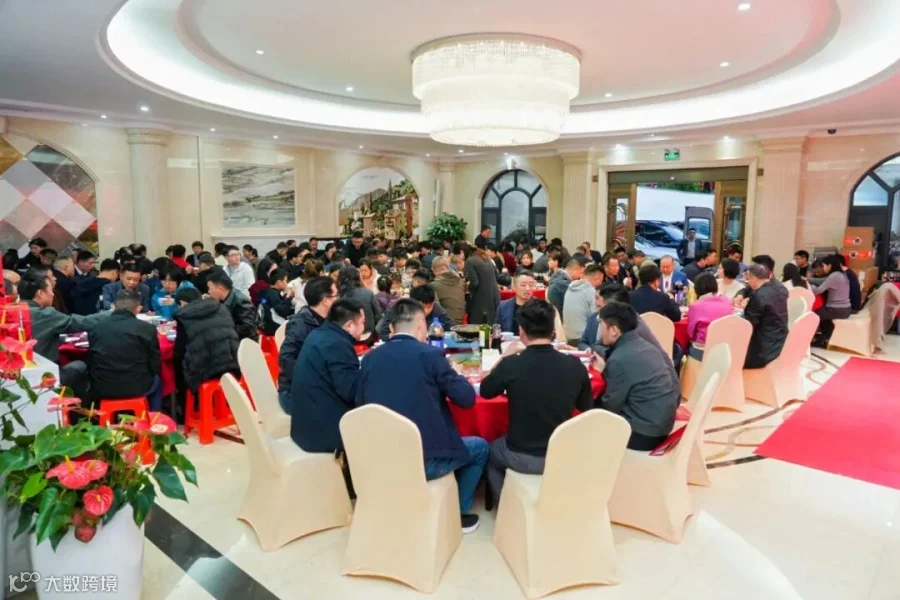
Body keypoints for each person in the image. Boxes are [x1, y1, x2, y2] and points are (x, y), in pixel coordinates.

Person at [357, 299, 487, 532]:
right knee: (480, 448)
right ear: (421, 326)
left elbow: (360, 404)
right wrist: (455, 373)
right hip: (425, 460)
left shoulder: (370, 358)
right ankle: (456, 514)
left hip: (380, 457)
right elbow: (466, 399)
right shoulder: (431, 356)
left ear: (391, 328)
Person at [481, 299, 592, 499]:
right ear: (553, 332)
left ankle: (507, 505)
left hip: (520, 454)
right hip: (561, 452)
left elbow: (485, 390)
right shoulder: (575, 365)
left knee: (490, 450)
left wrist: (504, 357)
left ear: (522, 331)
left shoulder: (511, 364)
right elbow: (585, 406)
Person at [593, 302, 680, 450]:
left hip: (643, 434)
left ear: (613, 330)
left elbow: (610, 407)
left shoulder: (619, 359)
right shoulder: (647, 347)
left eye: (601, 324)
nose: (600, 331)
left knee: (590, 422)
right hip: (662, 424)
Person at [290, 299, 365, 453]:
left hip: (305, 426)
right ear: (349, 325)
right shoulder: (337, 344)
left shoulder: (318, 334)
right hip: (324, 433)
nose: (364, 328)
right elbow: (351, 391)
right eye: (362, 323)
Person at [85, 290, 162, 410]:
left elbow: (91, 360)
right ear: (138, 308)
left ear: (113, 307)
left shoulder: (96, 327)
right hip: (137, 385)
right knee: (158, 381)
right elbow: (155, 365)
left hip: (103, 385)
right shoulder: (147, 329)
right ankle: (153, 418)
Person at [277, 277, 337, 413]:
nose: (338, 299)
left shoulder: (329, 320)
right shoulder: (300, 324)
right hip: (295, 391)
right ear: (325, 301)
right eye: (336, 296)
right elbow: (286, 357)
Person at [20, 273, 108, 363]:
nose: (53, 294)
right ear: (40, 293)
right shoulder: (44, 314)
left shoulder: (13, 309)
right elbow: (81, 323)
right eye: (51, 290)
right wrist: (110, 313)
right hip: (43, 367)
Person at [172, 287, 239, 394]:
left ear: (182, 303)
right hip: (232, 364)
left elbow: (179, 352)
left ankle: (183, 401)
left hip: (204, 372)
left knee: (179, 369)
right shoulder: (221, 308)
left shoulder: (185, 316)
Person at [736, 264, 789, 369]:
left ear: (753, 278)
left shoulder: (758, 296)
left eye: (748, 279)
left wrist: (738, 316)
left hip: (764, 349)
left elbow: (748, 324)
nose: (747, 282)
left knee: (732, 355)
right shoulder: (780, 288)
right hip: (781, 341)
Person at [376, 284, 451, 340]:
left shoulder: (437, 310)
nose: (426, 311)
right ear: (412, 302)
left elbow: (451, 329)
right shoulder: (398, 309)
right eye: (422, 307)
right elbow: (383, 335)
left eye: (429, 307)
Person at [686, 273, 733, 361]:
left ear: (697, 288)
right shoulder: (726, 300)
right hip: (723, 347)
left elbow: (691, 333)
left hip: (702, 348)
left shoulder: (695, 306)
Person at [205, 269, 259, 342]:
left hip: (244, 342)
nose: (209, 291)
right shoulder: (223, 298)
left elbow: (248, 328)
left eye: (210, 288)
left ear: (220, 288)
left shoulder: (241, 301)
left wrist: (223, 330)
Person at [809, 254, 852, 344]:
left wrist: (809, 286)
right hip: (846, 309)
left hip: (837, 310)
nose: (823, 268)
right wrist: (808, 279)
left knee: (813, 314)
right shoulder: (841, 274)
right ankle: (826, 336)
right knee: (821, 312)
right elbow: (823, 280)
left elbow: (817, 291)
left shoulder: (834, 276)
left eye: (824, 266)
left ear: (829, 265)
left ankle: (818, 338)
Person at [563, 263, 604, 345]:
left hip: (567, 336)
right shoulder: (592, 292)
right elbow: (596, 319)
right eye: (601, 280)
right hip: (582, 340)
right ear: (597, 279)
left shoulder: (570, 287)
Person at [337, 265, 382, 335]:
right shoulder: (367, 293)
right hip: (368, 332)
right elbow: (378, 315)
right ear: (357, 276)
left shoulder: (337, 297)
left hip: (346, 334)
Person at [464, 247, 500, 325]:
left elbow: (475, 283)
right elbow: (497, 276)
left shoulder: (470, 261)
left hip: (480, 300)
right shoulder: (488, 260)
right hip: (494, 298)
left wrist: (467, 289)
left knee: (477, 328)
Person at [258, 268, 295, 336]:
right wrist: (289, 297)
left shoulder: (265, 291)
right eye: (285, 281)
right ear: (279, 282)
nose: (287, 284)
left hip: (265, 326)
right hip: (274, 330)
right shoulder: (273, 294)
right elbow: (283, 311)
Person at [429, 256, 465, 324]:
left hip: (446, 323)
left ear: (433, 269)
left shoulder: (433, 285)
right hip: (461, 322)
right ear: (448, 267)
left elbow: (435, 309)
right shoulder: (461, 281)